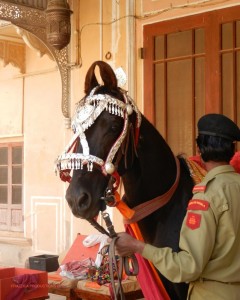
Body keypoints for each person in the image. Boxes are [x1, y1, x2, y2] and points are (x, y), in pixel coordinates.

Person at [113, 113, 240, 300]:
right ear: (232, 148)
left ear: (199, 148)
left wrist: (137, 246)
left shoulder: (205, 198)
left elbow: (187, 268)